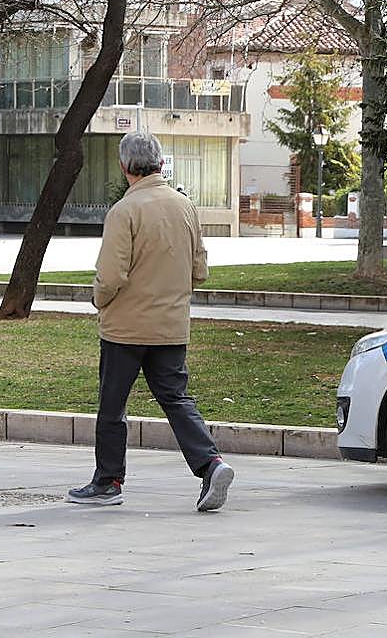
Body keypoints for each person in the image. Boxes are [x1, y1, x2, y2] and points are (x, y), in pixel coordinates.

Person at [68, 132, 234, 511]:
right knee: (176, 399)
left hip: (125, 329)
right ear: (160, 163)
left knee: (113, 406)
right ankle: (211, 464)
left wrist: (98, 299)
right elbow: (200, 270)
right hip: (171, 325)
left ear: (124, 166)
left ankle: (108, 481)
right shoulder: (185, 207)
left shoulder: (124, 211)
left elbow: (111, 276)